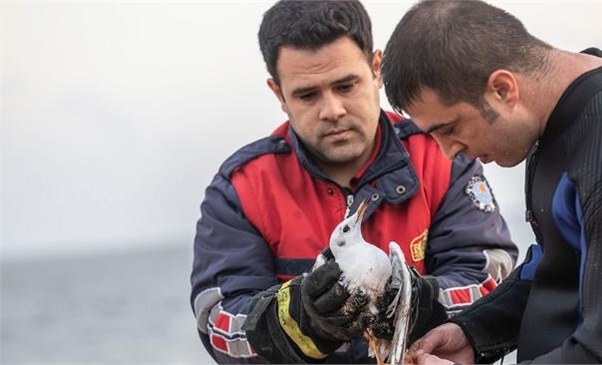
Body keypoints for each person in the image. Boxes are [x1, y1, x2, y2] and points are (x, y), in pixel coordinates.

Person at [190, 1, 518, 364]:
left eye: (346, 85)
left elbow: (491, 284)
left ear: (376, 69)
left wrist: (408, 301)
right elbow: (219, 328)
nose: (332, 110)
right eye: (307, 94)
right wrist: (303, 318)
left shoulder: (442, 157)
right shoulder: (241, 188)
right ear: (279, 94)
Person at [380, 0, 602, 364]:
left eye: (449, 129)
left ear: (502, 89)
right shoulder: (562, 115)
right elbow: (560, 261)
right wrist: (473, 331)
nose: (448, 153)